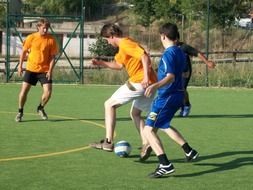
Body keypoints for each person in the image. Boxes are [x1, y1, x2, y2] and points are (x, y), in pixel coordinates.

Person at [89, 23, 157, 152]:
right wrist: (101, 63)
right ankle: (147, 143)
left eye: (107, 39)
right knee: (135, 114)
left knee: (109, 104)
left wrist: (146, 77)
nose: (108, 42)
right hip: (150, 84)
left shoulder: (126, 43)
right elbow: (119, 65)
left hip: (140, 82)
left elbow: (144, 56)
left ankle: (108, 142)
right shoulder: (123, 47)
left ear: (112, 35)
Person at [143, 23, 198, 178]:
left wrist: (155, 85)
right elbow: (184, 72)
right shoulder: (181, 52)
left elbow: (170, 76)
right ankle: (189, 150)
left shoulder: (168, 54)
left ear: (163, 36)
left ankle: (165, 164)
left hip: (166, 97)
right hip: (177, 95)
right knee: (164, 125)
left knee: (148, 129)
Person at [15, 18, 58, 122]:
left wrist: (50, 71)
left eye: (47, 28)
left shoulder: (51, 40)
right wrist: (20, 66)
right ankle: (20, 112)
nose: (45, 30)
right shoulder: (31, 37)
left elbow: (53, 57)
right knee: (24, 91)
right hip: (31, 69)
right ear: (38, 27)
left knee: (48, 92)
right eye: (44, 28)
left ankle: (40, 108)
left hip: (44, 70)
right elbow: (24, 52)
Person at [177, 34, 216, 117]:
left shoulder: (184, 47)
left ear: (177, 39)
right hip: (176, 72)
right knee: (176, 90)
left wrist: (207, 62)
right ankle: (182, 106)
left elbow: (197, 53)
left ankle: (187, 105)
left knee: (182, 88)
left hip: (185, 71)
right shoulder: (169, 48)